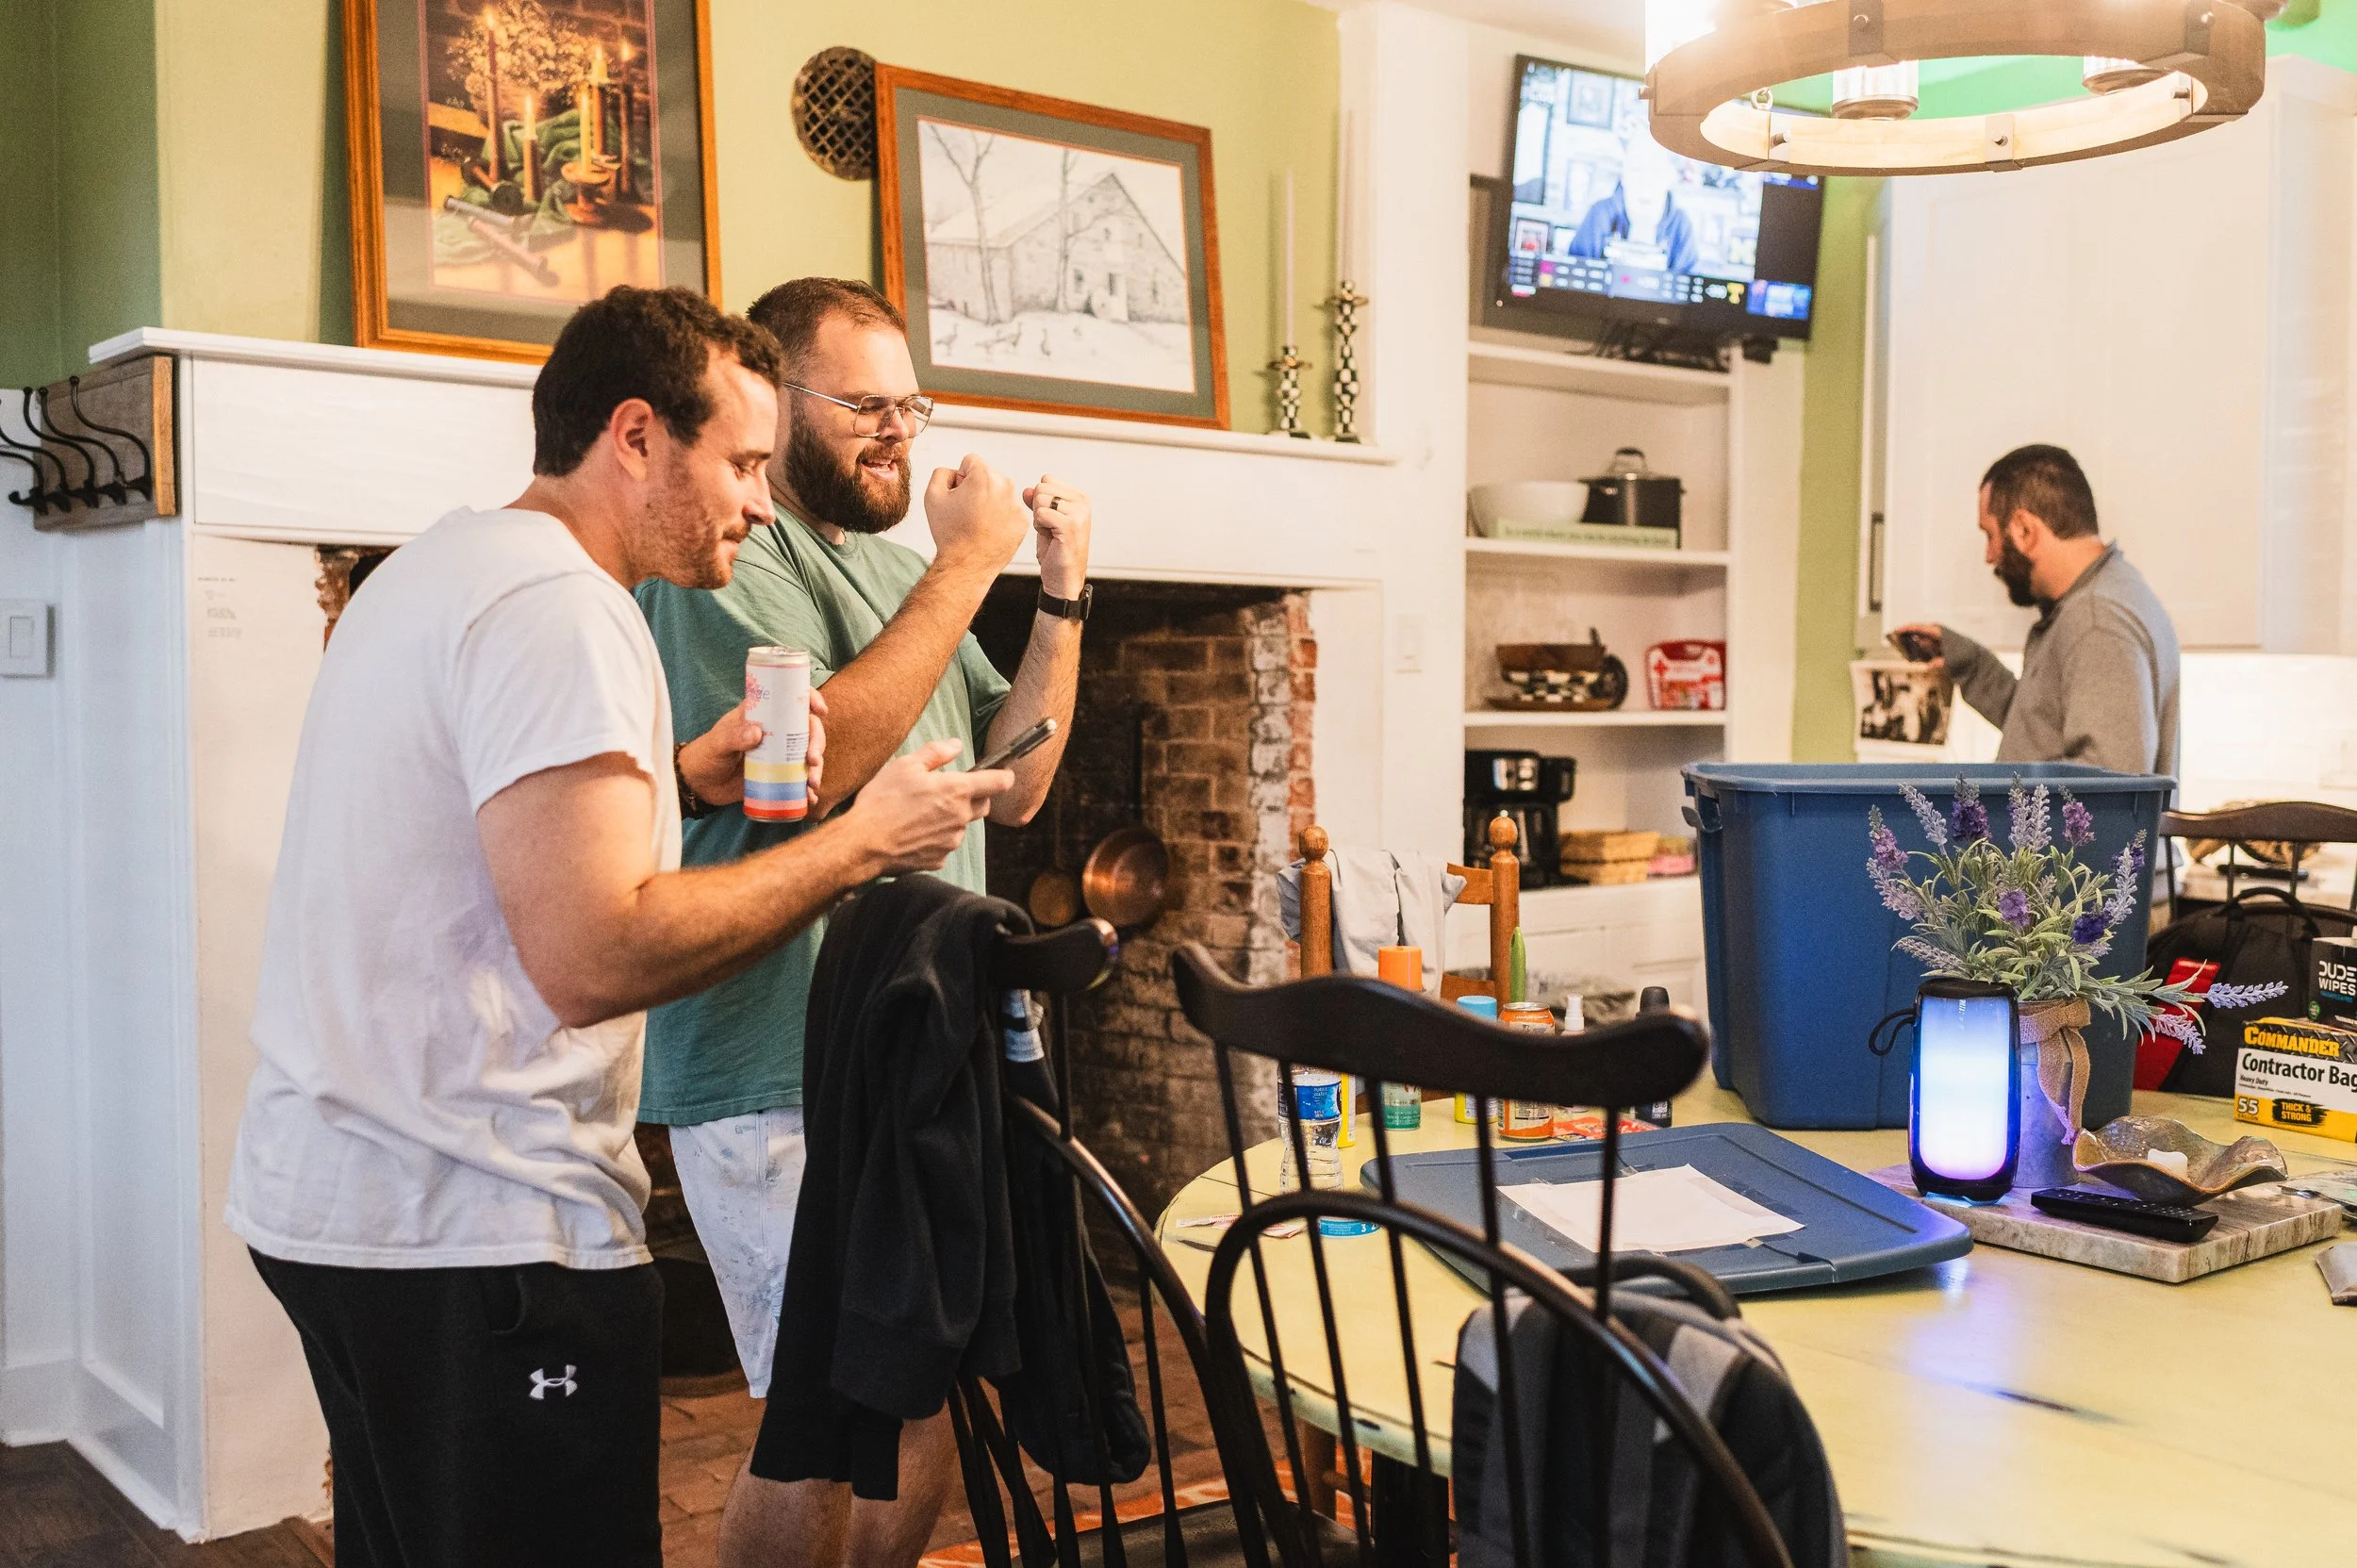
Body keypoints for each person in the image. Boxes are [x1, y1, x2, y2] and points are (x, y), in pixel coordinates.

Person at [222, 286, 1014, 1567]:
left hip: (342, 1202)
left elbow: (491, 842)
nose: (761, 505)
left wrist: (687, 780)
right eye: (743, 463)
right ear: (637, 435)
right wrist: (863, 840)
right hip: (482, 1228)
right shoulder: (564, 610)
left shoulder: (440, 567)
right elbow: (593, 956)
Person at [633, 276, 1089, 1568]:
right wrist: (968, 563)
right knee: (823, 1419)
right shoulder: (726, 560)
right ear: (775, 402)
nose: (900, 431)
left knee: (928, 1385)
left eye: (911, 406)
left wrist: (1059, 592)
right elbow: (818, 767)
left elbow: (1019, 776)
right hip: (776, 1059)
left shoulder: (904, 572)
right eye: (866, 405)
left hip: (923, 1043)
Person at [1896, 443, 2179, 774]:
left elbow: (2107, 785)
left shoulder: (2096, 621)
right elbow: (2041, 731)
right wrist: (1968, 662)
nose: (1989, 556)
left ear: (2024, 530)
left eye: (1990, 535)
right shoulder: (2105, 596)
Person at [1567, 128, 1699, 275]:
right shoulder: (1600, 214)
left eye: (1655, 168)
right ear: (1624, 174)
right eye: (1636, 168)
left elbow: (1688, 281)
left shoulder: (1681, 224)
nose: (1645, 180)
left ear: (1669, 175)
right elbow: (1575, 275)